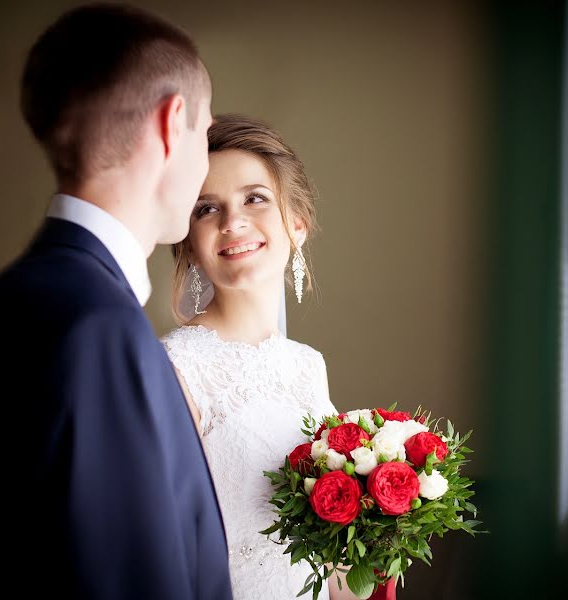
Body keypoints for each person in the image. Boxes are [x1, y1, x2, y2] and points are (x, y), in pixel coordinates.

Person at [0, 4, 232, 598]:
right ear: (172, 122)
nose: (205, 161)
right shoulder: (95, 323)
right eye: (205, 134)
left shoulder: (19, 293)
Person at [162, 114, 359, 599]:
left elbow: (328, 559)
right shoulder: (173, 368)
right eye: (207, 209)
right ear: (190, 242)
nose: (233, 222)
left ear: (298, 224)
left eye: (255, 198)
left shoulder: (308, 366)